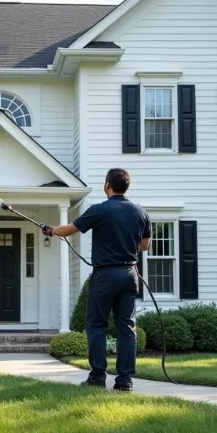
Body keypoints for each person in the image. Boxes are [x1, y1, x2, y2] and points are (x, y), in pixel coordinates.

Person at [41, 168, 150, 392]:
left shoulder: (99, 210)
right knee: (127, 328)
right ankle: (125, 381)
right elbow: (145, 245)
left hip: (105, 275)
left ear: (107, 185)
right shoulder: (141, 213)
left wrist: (50, 230)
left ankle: (98, 376)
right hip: (130, 274)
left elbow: (69, 229)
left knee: (97, 325)